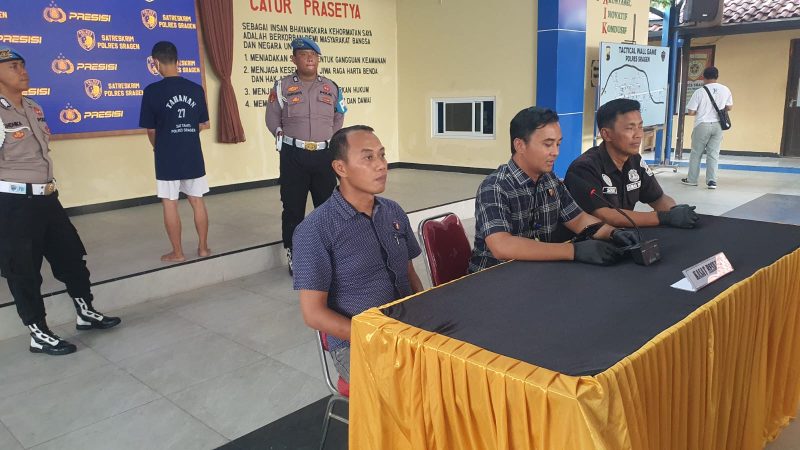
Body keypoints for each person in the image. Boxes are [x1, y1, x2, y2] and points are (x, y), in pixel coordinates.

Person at [0, 46, 120, 355]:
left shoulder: (33, 107)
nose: (23, 71)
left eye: (23, 65)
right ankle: (38, 332)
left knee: (71, 256)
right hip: (14, 205)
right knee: (23, 269)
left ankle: (85, 312)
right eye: (13, 66)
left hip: (47, 198)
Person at [292, 125, 423, 382]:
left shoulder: (393, 211)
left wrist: (422, 315)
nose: (381, 165)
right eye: (368, 157)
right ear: (341, 168)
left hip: (407, 328)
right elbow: (313, 314)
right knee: (411, 389)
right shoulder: (316, 229)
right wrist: (375, 335)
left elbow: (409, 274)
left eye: (382, 155)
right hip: (355, 342)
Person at [470, 106, 638, 273]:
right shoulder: (495, 187)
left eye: (558, 144)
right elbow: (502, 245)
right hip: (492, 278)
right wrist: (573, 251)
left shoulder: (550, 180)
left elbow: (579, 219)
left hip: (536, 272)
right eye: (548, 144)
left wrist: (612, 233)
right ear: (520, 145)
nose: (556, 152)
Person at [265, 36, 347, 275]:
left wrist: (330, 139)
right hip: (293, 155)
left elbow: (339, 115)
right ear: (293, 59)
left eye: (313, 55)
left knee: (328, 206)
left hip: (323, 156)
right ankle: (295, 253)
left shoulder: (331, 87)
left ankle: (329, 252)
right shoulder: (281, 86)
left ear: (318, 59)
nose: (309, 58)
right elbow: (272, 118)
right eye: (303, 54)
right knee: (293, 207)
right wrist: (282, 137)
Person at [564, 99, 699, 229]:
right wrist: (664, 217)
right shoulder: (584, 168)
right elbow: (605, 216)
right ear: (606, 134)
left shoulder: (635, 160)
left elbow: (658, 199)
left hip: (626, 236)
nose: (639, 135)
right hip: (589, 241)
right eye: (630, 128)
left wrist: (675, 212)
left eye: (640, 126)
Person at [139, 41, 211, 262]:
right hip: (192, 153)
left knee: (170, 203)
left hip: (166, 156)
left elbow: (151, 130)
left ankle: (178, 253)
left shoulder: (152, 91)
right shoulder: (195, 89)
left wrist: (158, 146)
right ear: (177, 61)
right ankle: (203, 248)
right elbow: (203, 124)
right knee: (197, 201)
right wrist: (186, 135)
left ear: (156, 62)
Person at [682, 66, 733, 189]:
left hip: (702, 125)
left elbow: (691, 112)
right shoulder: (725, 89)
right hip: (718, 125)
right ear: (717, 76)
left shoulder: (699, 92)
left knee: (696, 153)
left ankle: (692, 180)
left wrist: (702, 110)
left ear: (703, 77)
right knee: (713, 154)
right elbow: (729, 107)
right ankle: (712, 181)